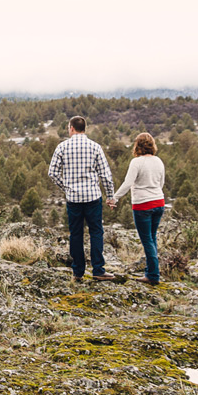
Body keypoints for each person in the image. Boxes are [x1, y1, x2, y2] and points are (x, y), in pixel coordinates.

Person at [48, 116, 118, 282]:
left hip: (74, 198)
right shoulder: (95, 147)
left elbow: (52, 173)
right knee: (96, 232)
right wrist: (110, 196)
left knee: (76, 234)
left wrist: (65, 187)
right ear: (84, 128)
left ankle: (78, 272)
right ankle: (98, 270)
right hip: (93, 196)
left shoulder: (62, 147)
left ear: (71, 128)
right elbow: (105, 174)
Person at [109, 132, 166, 285]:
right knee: (152, 238)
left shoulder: (137, 162)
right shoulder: (158, 161)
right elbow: (161, 183)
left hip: (143, 205)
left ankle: (153, 275)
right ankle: (151, 272)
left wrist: (115, 198)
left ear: (137, 146)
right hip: (159, 202)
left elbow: (128, 183)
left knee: (147, 240)